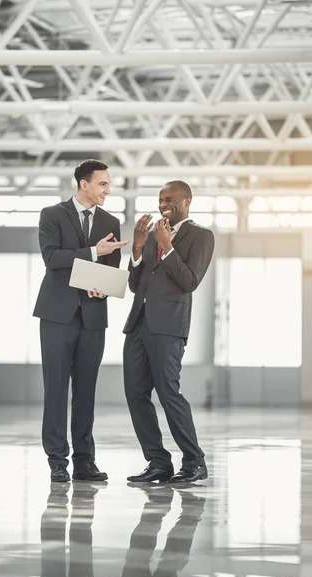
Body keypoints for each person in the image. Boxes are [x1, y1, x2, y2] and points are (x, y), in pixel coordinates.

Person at [33, 159, 128, 483]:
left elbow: (111, 269)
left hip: (92, 316)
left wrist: (105, 285)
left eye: (108, 184)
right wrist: (91, 252)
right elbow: (52, 257)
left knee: (86, 392)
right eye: (102, 184)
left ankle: (85, 461)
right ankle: (57, 461)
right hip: (57, 315)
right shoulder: (52, 215)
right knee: (56, 390)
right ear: (83, 184)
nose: (107, 189)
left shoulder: (111, 220)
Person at [123, 180, 215, 484]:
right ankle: (158, 462)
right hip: (139, 323)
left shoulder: (201, 236)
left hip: (169, 326)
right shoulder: (151, 236)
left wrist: (168, 245)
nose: (163, 203)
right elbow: (137, 284)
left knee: (168, 392)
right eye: (161, 198)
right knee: (136, 394)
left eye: (170, 199)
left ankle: (194, 462)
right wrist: (138, 247)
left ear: (186, 201)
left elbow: (190, 281)